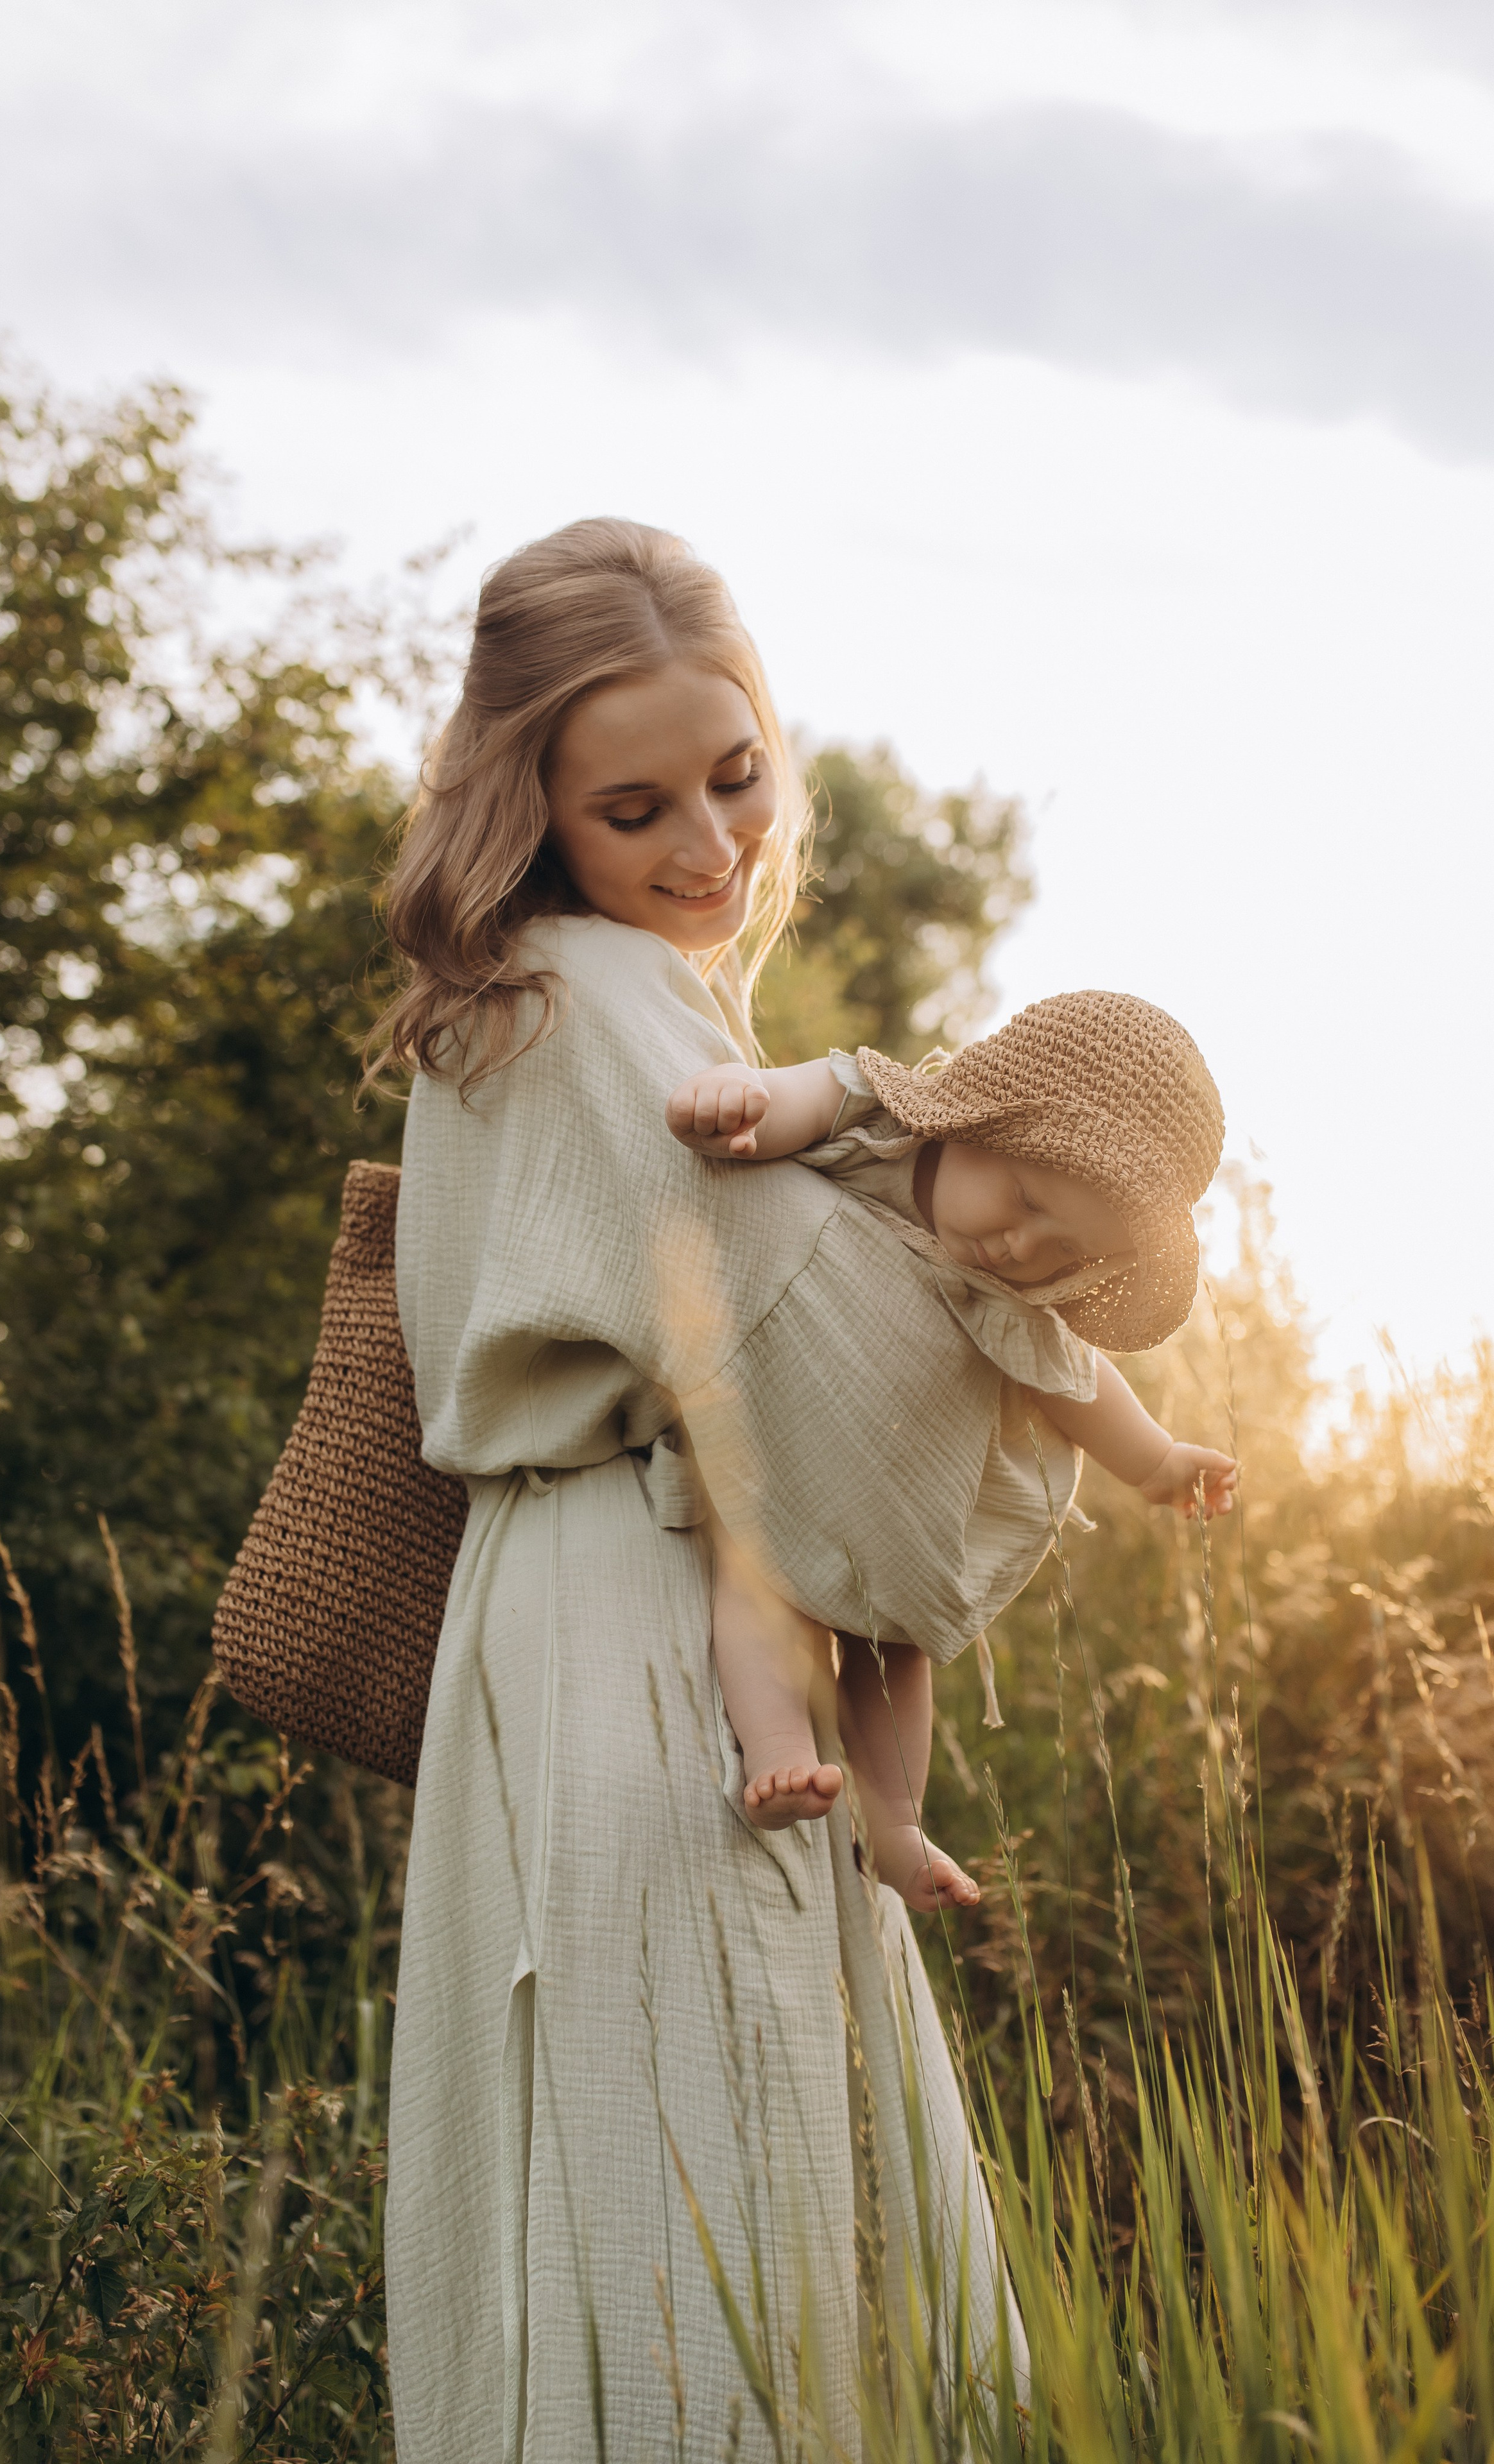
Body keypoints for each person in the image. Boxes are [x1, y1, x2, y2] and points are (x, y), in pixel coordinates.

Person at [365, 516, 1195, 2456]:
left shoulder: (567, 993)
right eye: (635, 803)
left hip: (589, 1602)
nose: (711, 847)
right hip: (637, 1613)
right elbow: (822, 1351)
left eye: (736, 777)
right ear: (534, 806)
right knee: (710, 2161)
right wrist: (1048, 1378)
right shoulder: (602, 1004)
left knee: (639, 2153)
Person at [664, 1009, 1235, 1915]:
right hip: (783, 1456)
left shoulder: (1025, 1294)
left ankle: (896, 1823)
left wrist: (1158, 1462)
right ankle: (778, 1755)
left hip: (899, 1502)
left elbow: (1077, 1383)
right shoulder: (877, 1120)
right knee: (757, 1584)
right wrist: (741, 1104)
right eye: (1027, 1201)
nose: (1025, 1251)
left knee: (898, 1648)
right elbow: (796, 1101)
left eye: (1069, 1251)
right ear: (980, 1113)